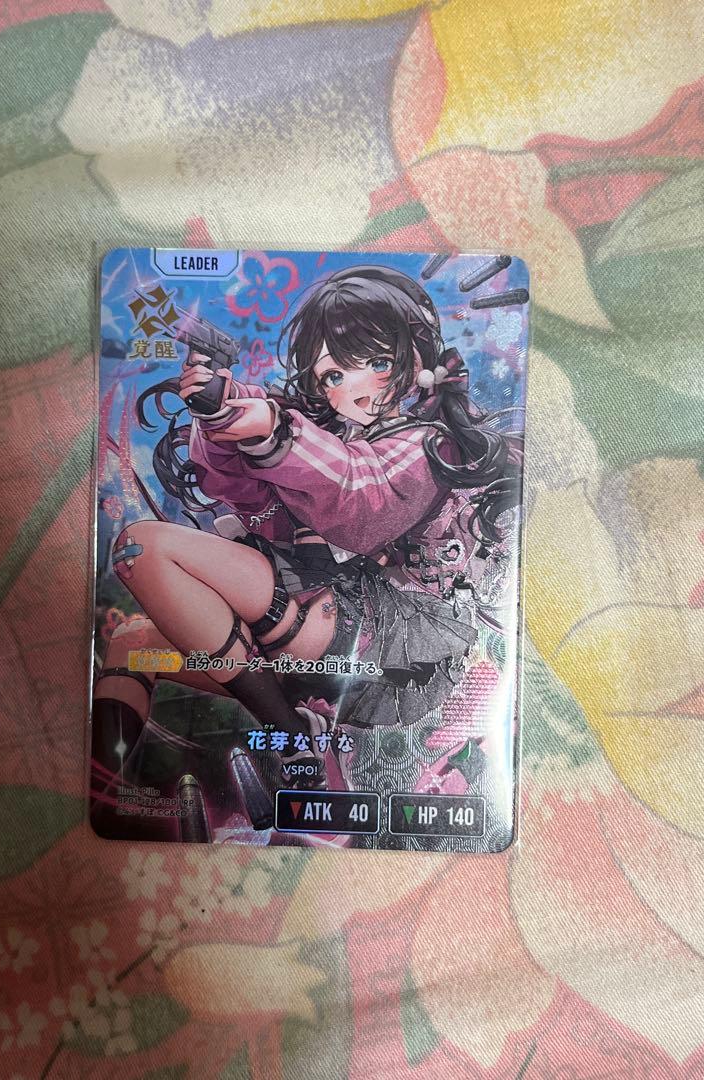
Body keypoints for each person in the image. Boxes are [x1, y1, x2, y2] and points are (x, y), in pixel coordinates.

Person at [92, 265, 521, 799]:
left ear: (416, 358)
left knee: (144, 545)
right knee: (133, 643)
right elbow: (258, 505)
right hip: (318, 633)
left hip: (392, 648)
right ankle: (107, 791)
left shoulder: (430, 446)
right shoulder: (332, 436)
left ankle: (292, 736)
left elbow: (360, 500)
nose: (352, 388)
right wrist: (221, 418)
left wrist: (274, 434)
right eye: (332, 377)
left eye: (376, 363)